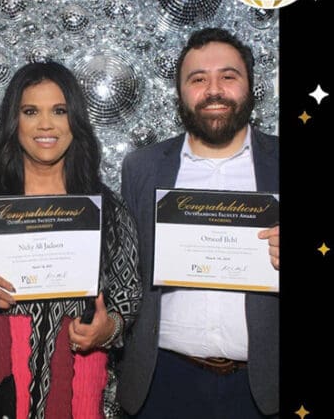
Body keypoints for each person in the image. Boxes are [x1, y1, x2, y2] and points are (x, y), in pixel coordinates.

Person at [0, 61, 142, 418]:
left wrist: (107, 328)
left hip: (78, 391)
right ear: (14, 121)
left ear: (76, 120)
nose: (46, 125)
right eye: (30, 111)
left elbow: (127, 300)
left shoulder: (105, 208)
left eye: (59, 111)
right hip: (0, 390)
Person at [117, 27, 279, 419]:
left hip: (264, 389)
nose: (214, 90)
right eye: (198, 79)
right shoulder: (142, 167)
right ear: (181, 93)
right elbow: (123, 274)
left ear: (250, 86)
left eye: (228, 76)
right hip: (162, 383)